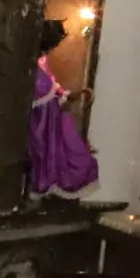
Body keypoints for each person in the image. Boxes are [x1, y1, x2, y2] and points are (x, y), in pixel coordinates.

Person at [29, 19, 99, 198]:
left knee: (74, 152)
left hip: (52, 119)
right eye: (53, 44)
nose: (53, 48)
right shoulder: (30, 66)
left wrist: (70, 95)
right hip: (42, 122)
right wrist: (61, 98)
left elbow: (53, 87)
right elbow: (44, 91)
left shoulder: (41, 62)